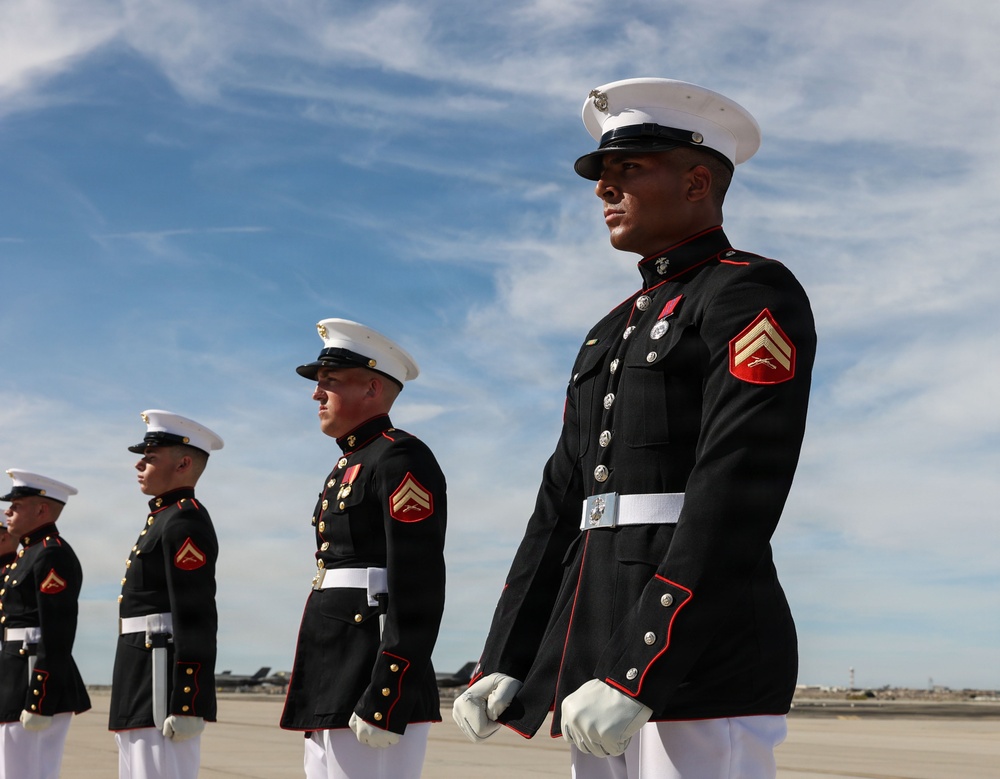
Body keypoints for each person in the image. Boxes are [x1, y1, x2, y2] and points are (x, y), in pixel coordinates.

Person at [452, 78, 817, 779]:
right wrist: (507, 653)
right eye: (602, 173)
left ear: (697, 182)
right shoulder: (608, 331)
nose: (603, 188)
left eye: (628, 168)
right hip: (596, 650)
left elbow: (736, 486)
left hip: (700, 654)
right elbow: (559, 508)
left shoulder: (747, 291)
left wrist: (642, 662)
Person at [280, 318, 447, 779]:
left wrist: (388, 691)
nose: (316, 394)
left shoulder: (400, 457)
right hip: (334, 665)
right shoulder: (350, 462)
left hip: (370, 671)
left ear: (372, 388)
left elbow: (418, 581)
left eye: (329, 382)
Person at [109, 410, 224, 779]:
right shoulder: (163, 518)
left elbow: (195, 613)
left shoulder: (184, 520)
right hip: (140, 672)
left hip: (161, 680)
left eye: (150, 457)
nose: (139, 465)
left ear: (183, 464)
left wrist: (188, 699)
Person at [0, 470, 90, 779]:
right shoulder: (30, 554)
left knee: (28, 772)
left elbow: (57, 632)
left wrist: (40, 698)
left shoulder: (52, 554)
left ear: (41, 509)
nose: (8, 512)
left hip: (32, 681)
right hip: (15, 677)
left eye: (16, 505)